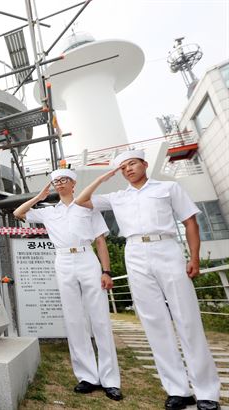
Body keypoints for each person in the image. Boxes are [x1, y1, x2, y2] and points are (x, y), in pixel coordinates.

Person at [74, 150, 220, 410]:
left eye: (132, 163)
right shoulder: (118, 197)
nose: (128, 169)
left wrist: (194, 257)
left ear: (144, 164)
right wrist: (105, 177)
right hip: (135, 253)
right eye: (123, 167)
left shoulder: (168, 188)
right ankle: (178, 390)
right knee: (154, 323)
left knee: (187, 319)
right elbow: (81, 201)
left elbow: (190, 223)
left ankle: (207, 393)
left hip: (166, 248)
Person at [13, 168, 122, 401]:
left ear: (74, 183)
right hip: (63, 260)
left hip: (86, 257)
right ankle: (87, 376)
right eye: (55, 181)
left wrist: (106, 271)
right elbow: (18, 213)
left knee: (99, 318)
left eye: (64, 180)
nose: (59, 183)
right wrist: (39, 197)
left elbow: (101, 242)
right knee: (74, 319)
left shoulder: (87, 206)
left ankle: (110, 380)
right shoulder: (48, 212)